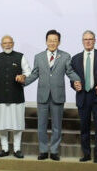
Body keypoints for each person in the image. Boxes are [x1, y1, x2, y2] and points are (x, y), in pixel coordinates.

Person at [23, 29, 81, 161]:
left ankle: (54, 151)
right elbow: (34, 74)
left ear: (59, 42)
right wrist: (23, 82)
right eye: (50, 40)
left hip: (57, 96)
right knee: (41, 125)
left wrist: (78, 80)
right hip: (43, 96)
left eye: (55, 41)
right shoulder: (39, 56)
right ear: (46, 41)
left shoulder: (65, 56)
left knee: (56, 126)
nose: (52, 43)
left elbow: (70, 72)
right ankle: (43, 150)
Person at [70, 30, 97, 163]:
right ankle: (86, 154)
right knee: (84, 127)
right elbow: (73, 78)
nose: (88, 41)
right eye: (85, 39)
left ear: (94, 40)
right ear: (82, 41)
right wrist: (74, 84)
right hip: (83, 97)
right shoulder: (76, 58)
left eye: (90, 39)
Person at [0, 35, 30, 159]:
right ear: (1, 45)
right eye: (5, 43)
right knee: (2, 124)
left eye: (9, 42)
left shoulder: (20, 56)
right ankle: (5, 148)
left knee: (17, 124)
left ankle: (17, 149)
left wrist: (23, 77)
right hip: (0, 96)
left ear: (13, 44)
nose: (7, 45)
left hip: (16, 96)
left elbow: (28, 72)